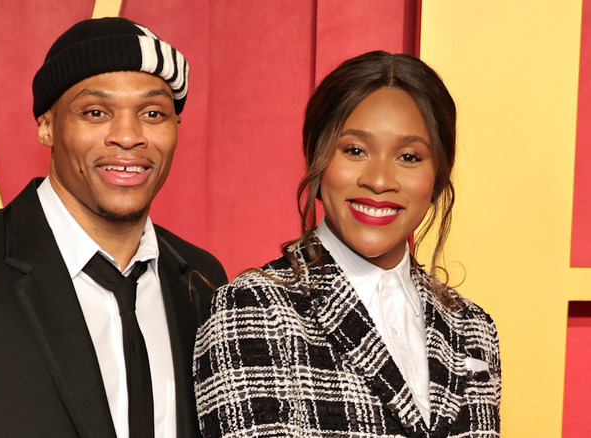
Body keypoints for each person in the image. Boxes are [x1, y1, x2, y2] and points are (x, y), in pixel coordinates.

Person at [0, 17, 227, 438]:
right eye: (95, 112)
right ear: (47, 125)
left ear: (176, 128)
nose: (128, 136)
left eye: (152, 113)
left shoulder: (202, 283)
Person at [194, 51, 500, 438]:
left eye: (409, 156)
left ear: (437, 177)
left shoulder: (473, 328)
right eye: (355, 150)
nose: (379, 179)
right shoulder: (252, 309)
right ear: (317, 159)